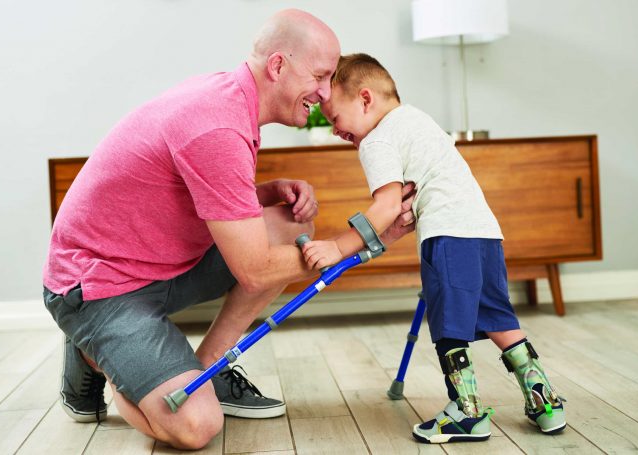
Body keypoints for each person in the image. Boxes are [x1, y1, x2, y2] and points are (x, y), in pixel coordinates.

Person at [42, 11, 416, 450]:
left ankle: (208, 368)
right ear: (278, 67)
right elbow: (255, 271)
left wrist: (263, 194)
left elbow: (184, 194)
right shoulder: (216, 124)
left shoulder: (229, 98)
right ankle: (95, 352)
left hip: (159, 269)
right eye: (320, 75)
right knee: (195, 424)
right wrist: (354, 244)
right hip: (99, 291)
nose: (326, 92)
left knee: (290, 223)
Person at [302, 53, 566, 444]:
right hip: (485, 232)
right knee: (497, 317)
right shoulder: (417, 119)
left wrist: (338, 246)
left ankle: (467, 412)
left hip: (447, 235)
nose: (335, 130)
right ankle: (545, 403)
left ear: (365, 98)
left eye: (334, 117)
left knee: (449, 326)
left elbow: (388, 205)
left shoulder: (376, 140)